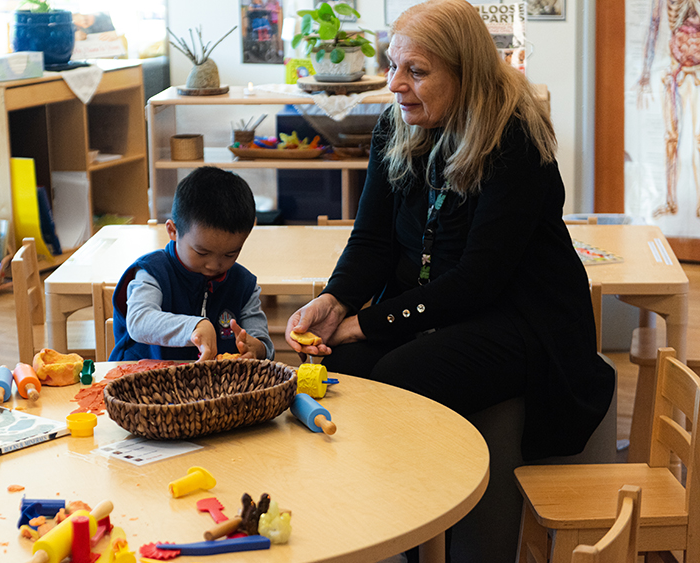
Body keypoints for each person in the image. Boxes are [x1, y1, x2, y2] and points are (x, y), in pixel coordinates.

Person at [285, 0, 613, 463]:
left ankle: (427, 524)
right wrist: (336, 301)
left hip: (519, 319)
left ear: (467, 75)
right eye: (394, 66)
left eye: (416, 71)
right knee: (342, 366)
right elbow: (372, 240)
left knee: (405, 372)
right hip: (437, 306)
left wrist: (367, 324)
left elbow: (478, 281)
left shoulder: (513, 140)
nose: (396, 84)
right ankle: (372, 502)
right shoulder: (395, 125)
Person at [109, 166, 273, 362]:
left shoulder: (243, 284)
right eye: (202, 252)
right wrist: (193, 327)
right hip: (143, 383)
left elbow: (261, 342)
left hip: (215, 387)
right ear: (173, 231)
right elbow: (139, 321)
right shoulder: (153, 272)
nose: (214, 265)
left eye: (230, 254)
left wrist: (257, 349)